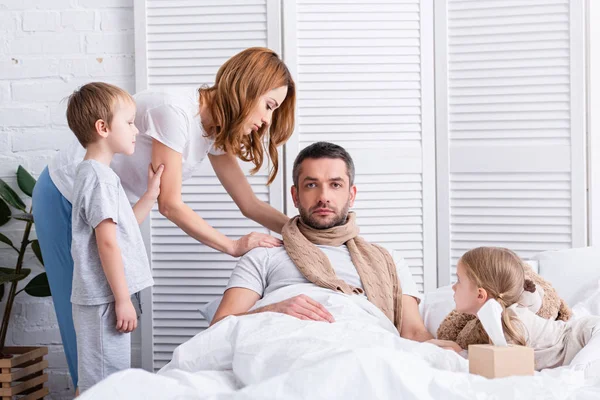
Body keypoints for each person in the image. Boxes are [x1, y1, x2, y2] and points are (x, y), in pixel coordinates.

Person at [32, 47, 296, 389]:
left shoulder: (214, 131)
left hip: (111, 211)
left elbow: (249, 204)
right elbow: (170, 204)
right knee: (86, 321)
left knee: (107, 322)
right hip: (65, 195)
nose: (268, 121)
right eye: (269, 106)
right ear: (247, 88)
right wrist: (232, 246)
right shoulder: (175, 111)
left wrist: (303, 231)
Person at [211, 142, 434, 342]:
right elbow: (218, 328)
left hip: (364, 346)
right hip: (284, 346)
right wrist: (272, 311)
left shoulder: (389, 260)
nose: (323, 197)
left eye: (335, 185)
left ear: (351, 195)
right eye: (311, 185)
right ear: (295, 195)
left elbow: (413, 333)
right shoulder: (264, 255)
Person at [65, 82, 163, 392]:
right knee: (105, 386)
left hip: (102, 298)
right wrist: (122, 300)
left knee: (105, 380)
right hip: (104, 300)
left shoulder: (95, 174)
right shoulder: (100, 179)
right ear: (103, 127)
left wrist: (149, 196)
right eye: (130, 122)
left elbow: (120, 232)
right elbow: (106, 243)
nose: (136, 131)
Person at [450, 246, 600, 370]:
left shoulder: (511, 322)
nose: (453, 287)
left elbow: (502, 364)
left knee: (576, 374)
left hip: (587, 333)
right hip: (582, 337)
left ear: (480, 295)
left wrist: (461, 354)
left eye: (458, 280)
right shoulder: (495, 319)